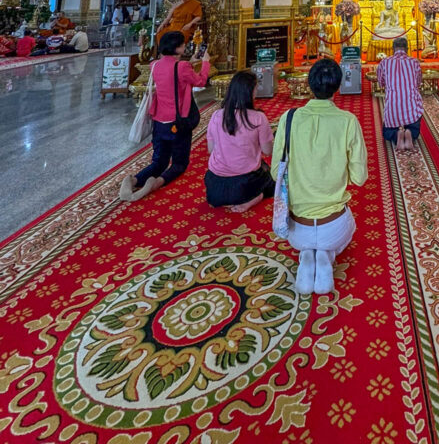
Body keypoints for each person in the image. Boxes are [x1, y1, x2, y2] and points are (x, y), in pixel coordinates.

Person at [271, 58, 367, 295]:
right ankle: (326, 254)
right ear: (338, 86)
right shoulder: (348, 122)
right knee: (345, 226)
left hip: (296, 226)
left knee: (307, 239)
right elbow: (360, 178)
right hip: (333, 226)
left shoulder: (288, 118)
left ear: (309, 83)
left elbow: (276, 172)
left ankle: (307, 254)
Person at [119, 31, 209, 202]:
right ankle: (157, 183)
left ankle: (134, 180)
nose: (185, 47)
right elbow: (200, 81)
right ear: (177, 48)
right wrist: (205, 63)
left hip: (159, 122)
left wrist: (189, 64)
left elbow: (173, 75)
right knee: (179, 164)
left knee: (158, 162)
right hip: (178, 121)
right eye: (183, 44)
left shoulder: (154, 65)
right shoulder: (182, 67)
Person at [205, 70, 275, 213]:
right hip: (245, 185)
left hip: (215, 188)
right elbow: (268, 151)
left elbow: (211, 150)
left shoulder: (216, 115)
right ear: (251, 92)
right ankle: (256, 197)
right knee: (274, 180)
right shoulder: (258, 118)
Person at [377, 36, 423, 153]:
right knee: (415, 117)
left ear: (393, 49)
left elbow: (381, 83)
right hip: (412, 105)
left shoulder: (384, 62)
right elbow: (418, 82)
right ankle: (410, 133)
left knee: (386, 132)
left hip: (392, 105)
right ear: (407, 49)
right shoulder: (414, 62)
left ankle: (396, 134)